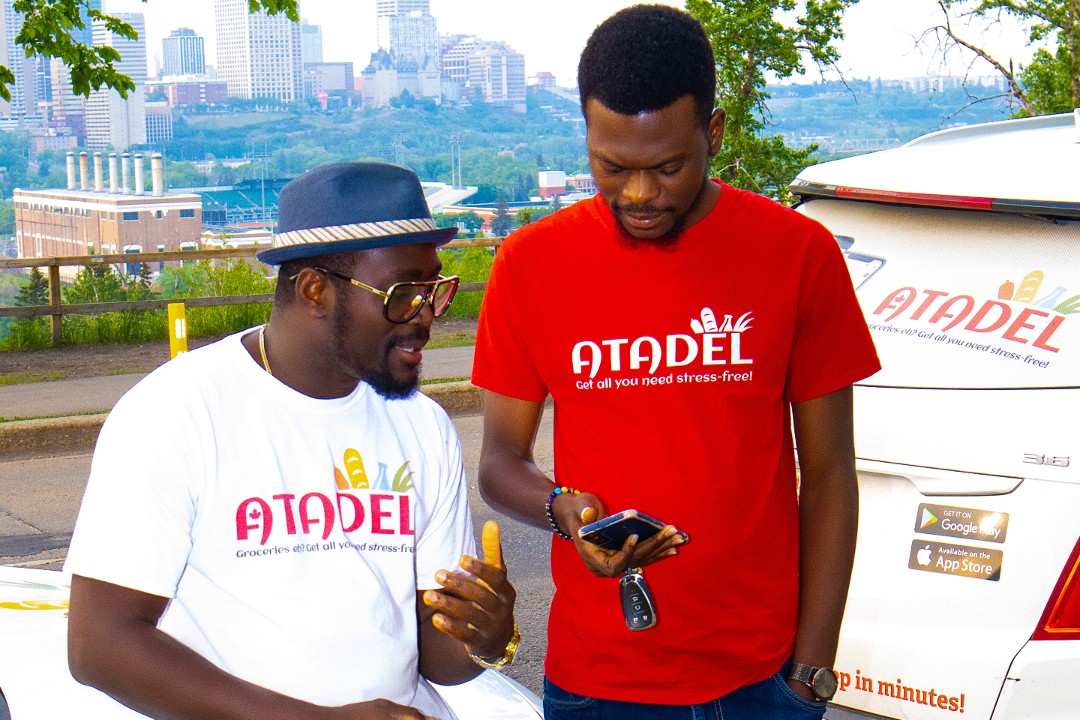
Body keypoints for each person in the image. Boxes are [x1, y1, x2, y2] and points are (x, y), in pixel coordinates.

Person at [472, 5, 880, 719]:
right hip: (599, 687)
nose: (638, 194)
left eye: (667, 167)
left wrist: (812, 669)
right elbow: (500, 462)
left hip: (764, 683)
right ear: (588, 137)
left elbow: (829, 474)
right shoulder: (530, 264)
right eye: (612, 167)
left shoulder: (797, 255)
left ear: (713, 133)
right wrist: (561, 511)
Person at [64, 162, 519, 720]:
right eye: (404, 294)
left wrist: (488, 636)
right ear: (315, 291)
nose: (426, 316)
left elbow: (439, 659)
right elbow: (99, 646)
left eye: (434, 290)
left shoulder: (422, 425)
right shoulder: (177, 411)